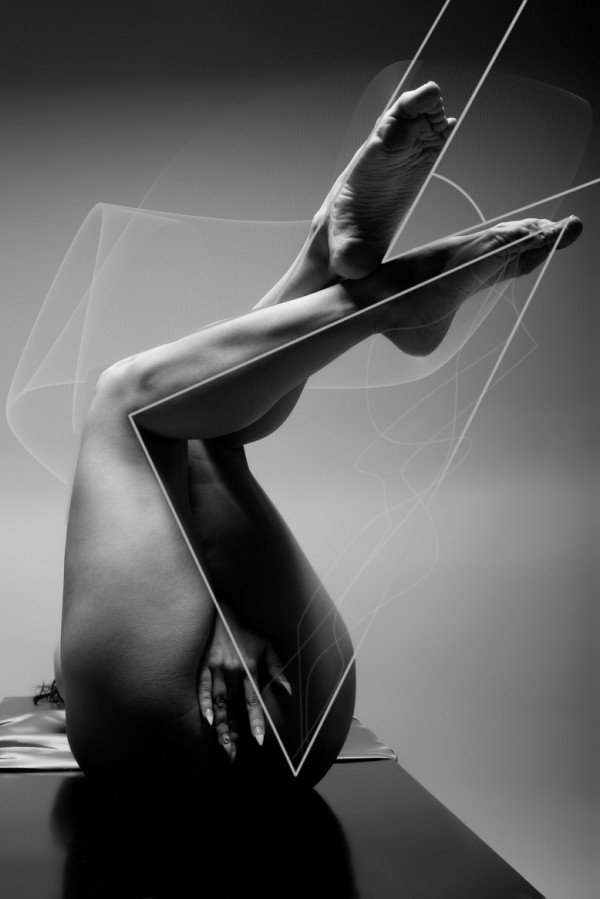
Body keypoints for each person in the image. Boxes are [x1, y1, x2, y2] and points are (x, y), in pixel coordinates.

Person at [52, 82, 582, 786]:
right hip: (183, 731)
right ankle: (376, 294)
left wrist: (219, 619)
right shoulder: (104, 651)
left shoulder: (121, 610)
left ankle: (334, 257)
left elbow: (146, 595)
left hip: (301, 721)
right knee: (124, 398)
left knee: (202, 431)